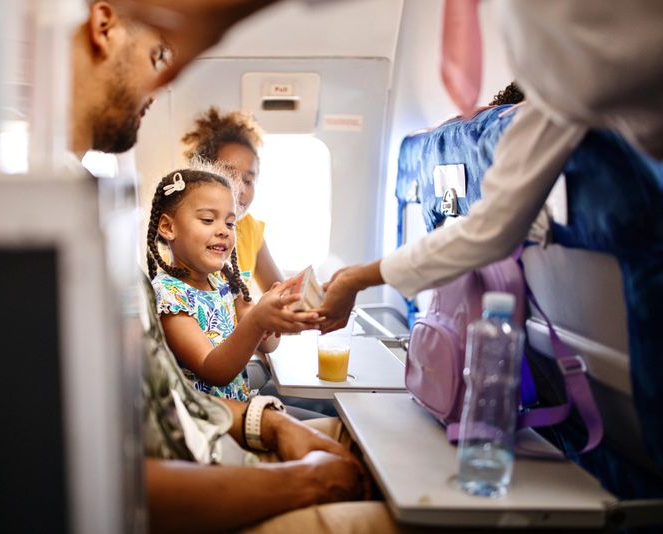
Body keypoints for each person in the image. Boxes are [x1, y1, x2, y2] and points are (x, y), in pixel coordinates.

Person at [121, 0, 663, 333]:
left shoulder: (567, 56)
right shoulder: (558, 91)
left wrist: (281, 311)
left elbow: (271, 296)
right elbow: (490, 228)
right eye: (224, 183)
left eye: (250, 178)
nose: (235, 198)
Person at [70, 4, 394, 532]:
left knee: (380, 444)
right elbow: (213, 373)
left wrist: (268, 416)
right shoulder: (159, 288)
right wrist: (299, 466)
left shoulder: (215, 273)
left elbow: (184, 402)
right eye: (157, 55)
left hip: (233, 423)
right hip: (220, 443)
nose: (161, 83)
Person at [146, 167, 312, 400]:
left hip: (245, 406)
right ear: (168, 227)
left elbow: (268, 346)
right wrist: (256, 321)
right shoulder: (170, 297)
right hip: (214, 423)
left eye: (230, 223)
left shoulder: (224, 281)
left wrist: (272, 315)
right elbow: (214, 370)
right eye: (207, 220)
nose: (223, 231)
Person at [182, 107, 284, 292]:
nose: (240, 189)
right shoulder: (193, 232)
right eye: (229, 177)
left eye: (248, 180)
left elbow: (280, 290)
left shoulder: (249, 227)